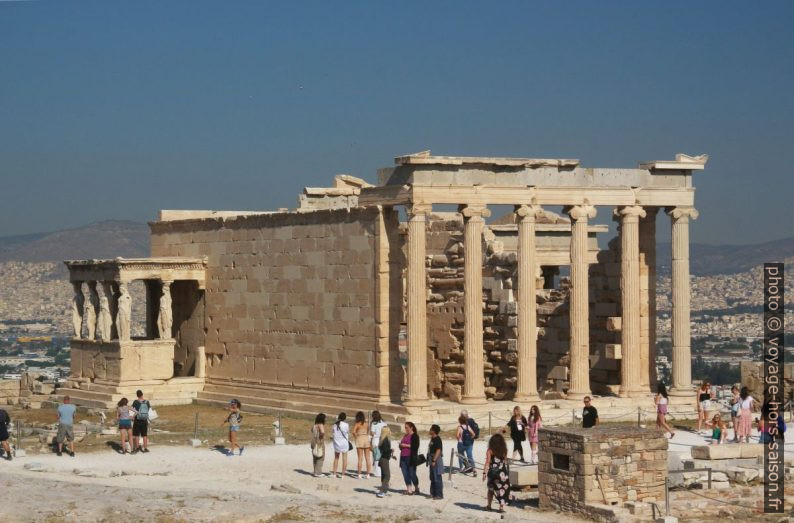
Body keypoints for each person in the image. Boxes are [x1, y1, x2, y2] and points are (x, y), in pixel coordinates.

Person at [483, 433, 510, 513]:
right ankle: (501, 508)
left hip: (492, 473)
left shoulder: (490, 450)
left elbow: (487, 462)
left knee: (491, 490)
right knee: (503, 489)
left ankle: (489, 506)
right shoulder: (505, 450)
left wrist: (484, 473)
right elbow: (505, 460)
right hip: (502, 473)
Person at [398, 421, 420, 495]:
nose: (406, 429)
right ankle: (409, 489)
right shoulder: (405, 435)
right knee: (405, 473)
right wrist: (400, 446)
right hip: (403, 456)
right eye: (405, 428)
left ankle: (416, 488)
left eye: (407, 428)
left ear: (411, 428)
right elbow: (402, 446)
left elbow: (415, 446)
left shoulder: (415, 436)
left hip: (411, 457)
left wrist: (405, 445)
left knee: (412, 473)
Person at [352, 411, 372, 479]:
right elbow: (368, 431)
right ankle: (368, 474)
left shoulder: (357, 424)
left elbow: (353, 432)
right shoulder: (366, 424)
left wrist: (356, 437)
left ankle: (359, 474)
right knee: (368, 458)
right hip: (366, 438)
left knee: (360, 458)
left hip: (360, 438)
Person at [427, 424, 444, 500]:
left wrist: (434, 460)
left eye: (430, 429)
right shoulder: (432, 439)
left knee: (437, 477)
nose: (429, 430)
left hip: (435, 459)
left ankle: (439, 495)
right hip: (431, 458)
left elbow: (438, 450)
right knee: (432, 477)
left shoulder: (437, 439)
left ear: (433, 431)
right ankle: (433, 493)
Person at [331, 412, 350, 478]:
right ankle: (343, 474)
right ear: (345, 418)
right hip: (344, 443)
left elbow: (333, 433)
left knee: (336, 458)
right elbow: (347, 432)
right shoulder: (346, 425)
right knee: (344, 459)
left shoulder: (334, 425)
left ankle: (334, 473)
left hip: (337, 443)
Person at [376, 425, 394, 498]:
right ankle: (382, 491)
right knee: (387, 475)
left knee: (384, 475)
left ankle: (384, 490)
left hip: (382, 459)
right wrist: (391, 450)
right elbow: (386, 450)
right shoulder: (386, 440)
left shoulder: (381, 439)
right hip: (384, 459)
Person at [370, 411, 387, 478]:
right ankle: (382, 471)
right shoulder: (384, 423)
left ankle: (377, 472)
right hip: (382, 440)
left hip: (376, 440)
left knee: (376, 456)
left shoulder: (374, 424)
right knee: (381, 456)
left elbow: (372, 433)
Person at [310, 413, 327, 477]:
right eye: (325, 418)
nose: (325, 419)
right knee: (320, 457)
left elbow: (312, 430)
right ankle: (318, 472)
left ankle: (315, 471)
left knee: (315, 456)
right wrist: (320, 437)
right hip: (319, 442)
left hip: (313, 441)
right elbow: (322, 432)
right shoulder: (321, 425)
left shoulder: (314, 425)